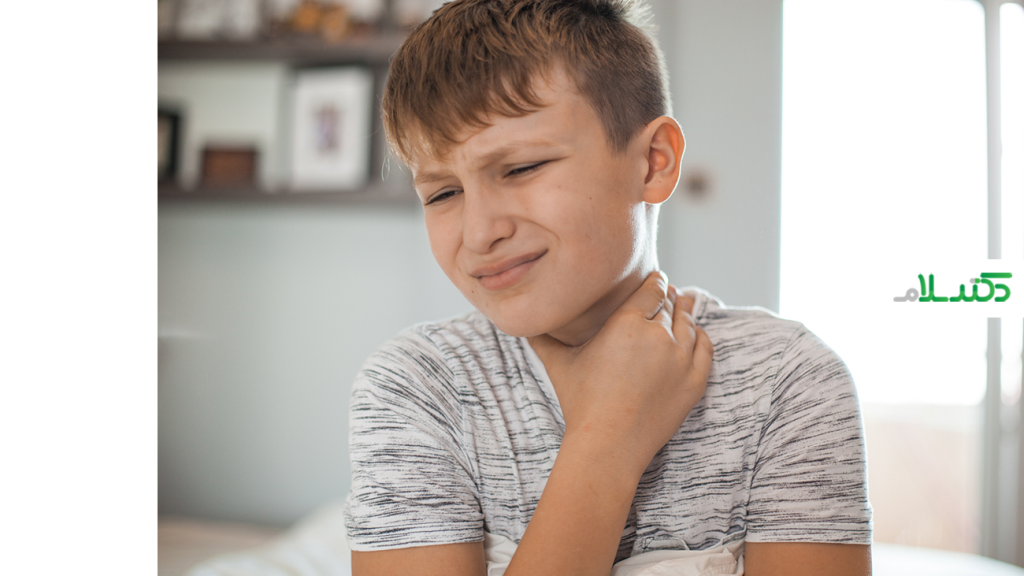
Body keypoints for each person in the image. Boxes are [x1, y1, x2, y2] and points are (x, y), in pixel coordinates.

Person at [343, 1, 872, 574]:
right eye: (443, 193)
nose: (479, 233)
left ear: (653, 163)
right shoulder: (419, 386)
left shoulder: (787, 381)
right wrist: (606, 442)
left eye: (521, 169)